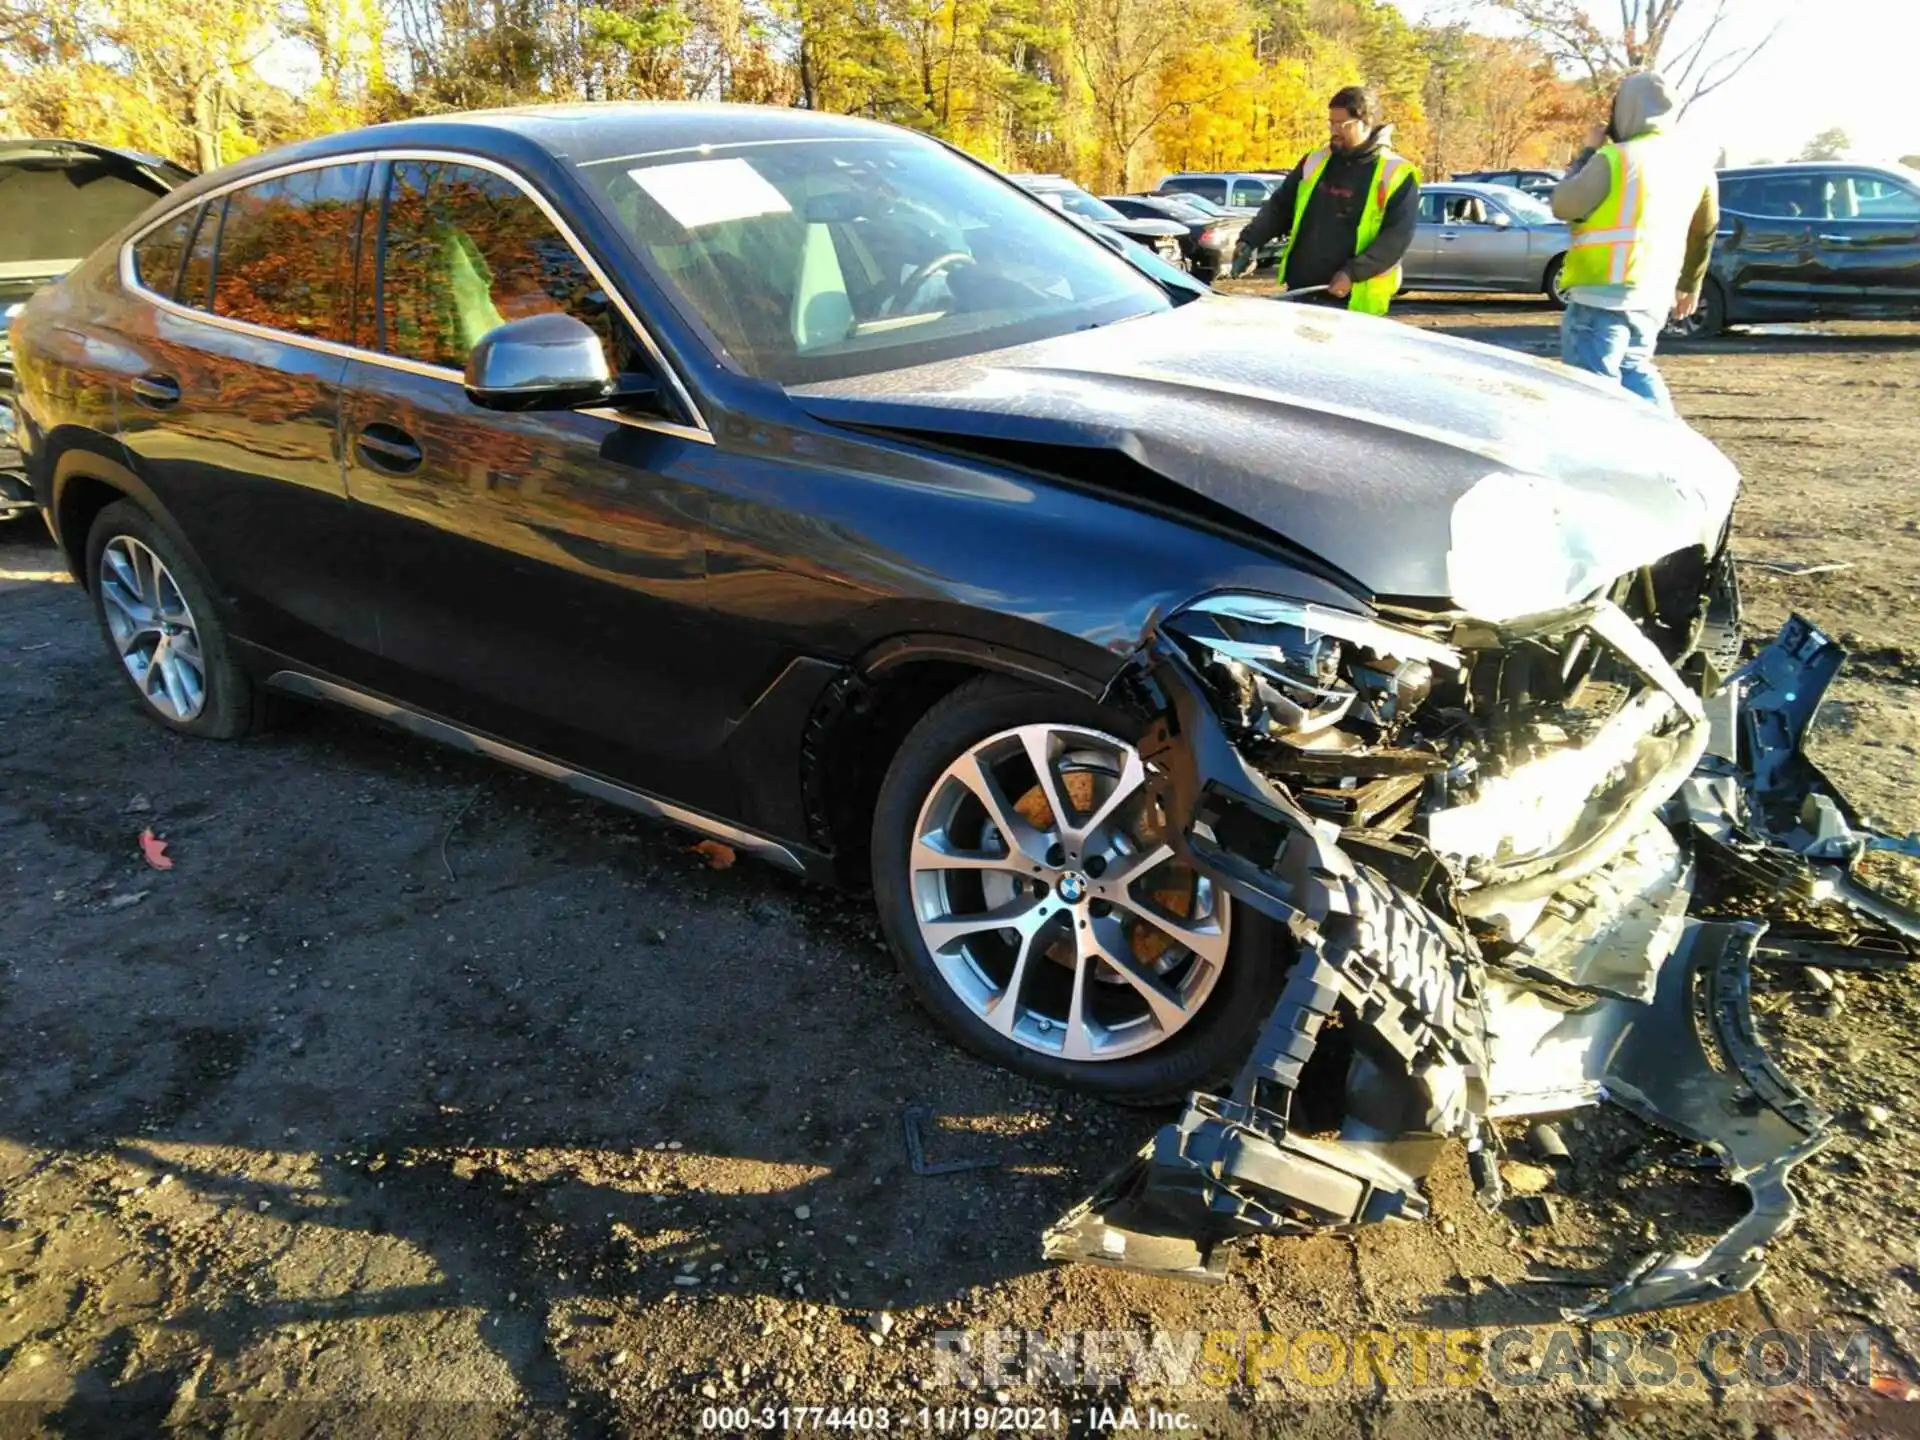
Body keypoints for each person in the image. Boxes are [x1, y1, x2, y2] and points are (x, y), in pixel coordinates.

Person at [1549, 70, 1718, 411]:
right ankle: (1668, 449)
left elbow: (1563, 204)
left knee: (1593, 392)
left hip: (1601, 294)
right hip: (1653, 293)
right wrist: (1690, 283)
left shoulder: (1617, 158)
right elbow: (1706, 227)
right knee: (1636, 370)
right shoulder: (1696, 165)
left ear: (1624, 109)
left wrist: (1587, 152)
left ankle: (1603, 461)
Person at [1229, 86, 1420, 315]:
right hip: (1303, 290)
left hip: (1355, 300)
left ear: (1367, 122)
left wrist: (1353, 273)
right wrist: (1250, 240)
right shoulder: (1315, 161)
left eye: (1343, 125)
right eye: (1331, 123)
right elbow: (1281, 207)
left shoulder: (1396, 173)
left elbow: (1395, 239)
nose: (1334, 131)